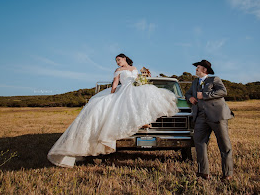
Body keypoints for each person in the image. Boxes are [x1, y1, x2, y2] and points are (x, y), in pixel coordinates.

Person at [47, 53, 178, 167]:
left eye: (118, 60)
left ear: (124, 58)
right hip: (124, 89)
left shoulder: (134, 68)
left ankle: (143, 121)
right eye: (116, 61)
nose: (117, 62)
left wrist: (141, 81)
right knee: (119, 105)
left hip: (136, 87)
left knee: (144, 100)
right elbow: (115, 82)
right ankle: (140, 123)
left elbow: (138, 78)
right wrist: (113, 93)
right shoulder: (118, 70)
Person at [185, 60, 234, 181]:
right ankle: (203, 173)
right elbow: (187, 94)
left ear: (204, 70)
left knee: (224, 145)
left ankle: (227, 174)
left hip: (217, 116)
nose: (196, 69)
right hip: (200, 117)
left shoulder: (214, 79)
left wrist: (205, 95)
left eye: (198, 67)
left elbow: (223, 91)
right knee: (199, 143)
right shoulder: (195, 82)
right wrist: (190, 98)